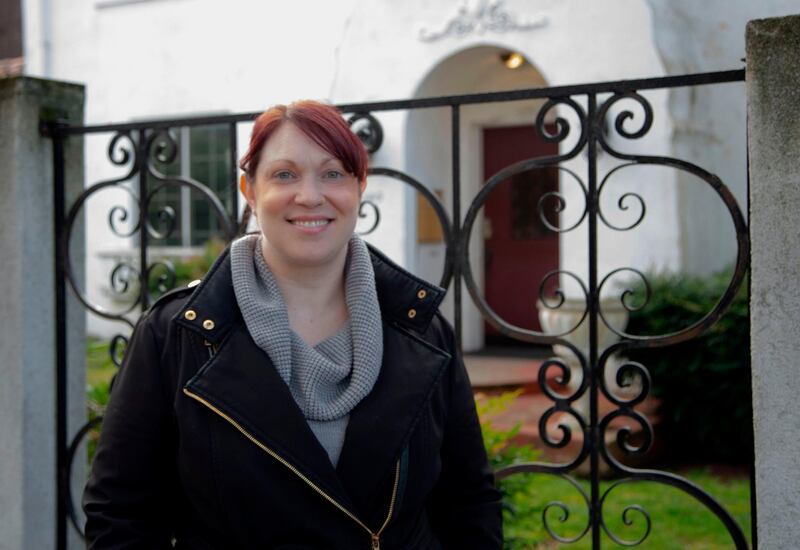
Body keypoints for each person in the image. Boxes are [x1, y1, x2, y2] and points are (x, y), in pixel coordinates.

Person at [83, 100, 502, 549]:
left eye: (333, 173)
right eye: (284, 174)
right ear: (249, 189)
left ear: (360, 186)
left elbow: (468, 502)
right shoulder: (177, 335)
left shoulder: (420, 331)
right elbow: (120, 514)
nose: (310, 195)